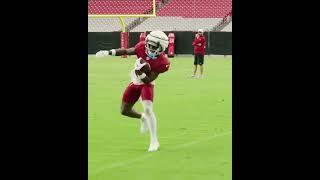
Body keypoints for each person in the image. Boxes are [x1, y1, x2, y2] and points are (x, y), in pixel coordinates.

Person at [95, 31, 170, 152]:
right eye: (148, 44)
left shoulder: (163, 62)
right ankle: (142, 117)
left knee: (148, 108)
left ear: (161, 47)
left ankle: (154, 141)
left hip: (147, 83)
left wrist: (140, 73)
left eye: (153, 46)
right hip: (135, 81)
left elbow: (148, 80)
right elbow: (125, 51)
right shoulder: (141, 47)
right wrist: (108, 52)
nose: (149, 48)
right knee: (124, 111)